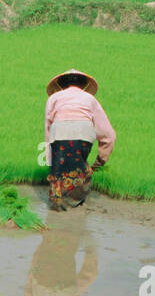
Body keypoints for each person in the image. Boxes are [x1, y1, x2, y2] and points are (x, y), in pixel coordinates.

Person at [44, 68, 115, 211]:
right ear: (84, 85)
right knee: (79, 168)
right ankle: (74, 202)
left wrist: (49, 158)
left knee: (59, 171)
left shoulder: (53, 98)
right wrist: (100, 161)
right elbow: (109, 135)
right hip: (84, 135)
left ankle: (58, 204)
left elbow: (48, 128)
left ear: (62, 85)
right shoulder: (90, 99)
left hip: (59, 133)